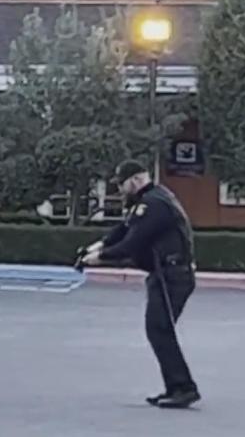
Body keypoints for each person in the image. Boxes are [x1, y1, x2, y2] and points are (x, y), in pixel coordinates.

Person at [79, 160, 200, 409]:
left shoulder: (154, 204)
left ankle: (184, 388)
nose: (121, 191)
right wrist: (95, 247)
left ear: (135, 180)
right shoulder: (151, 200)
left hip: (173, 275)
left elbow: (132, 243)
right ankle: (176, 387)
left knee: (159, 329)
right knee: (159, 330)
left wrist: (98, 259)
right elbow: (123, 230)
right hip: (166, 273)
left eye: (122, 185)